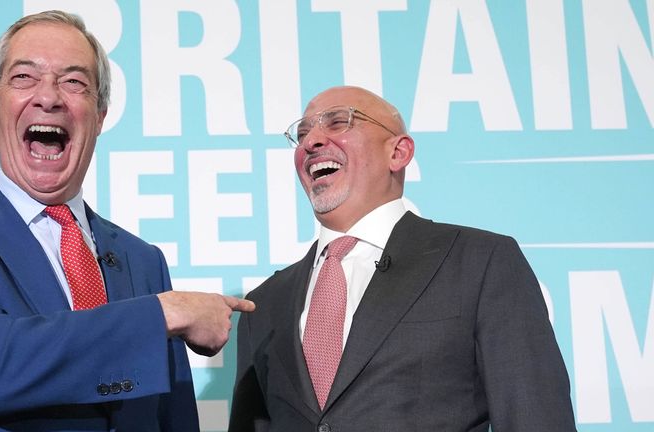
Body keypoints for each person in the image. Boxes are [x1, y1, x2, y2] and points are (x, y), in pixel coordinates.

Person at [0, 10, 254, 431]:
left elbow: (173, 419)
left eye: (74, 82)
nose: (49, 97)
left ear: (100, 116)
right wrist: (162, 313)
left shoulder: (142, 260)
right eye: (24, 77)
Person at [229, 86, 576, 431]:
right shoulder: (264, 304)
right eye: (302, 133)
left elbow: (535, 417)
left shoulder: (480, 262)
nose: (311, 141)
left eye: (337, 122)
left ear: (398, 152)